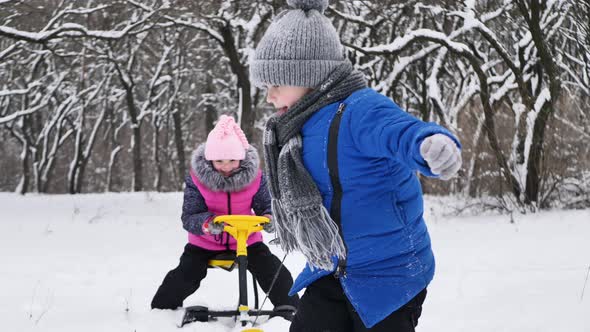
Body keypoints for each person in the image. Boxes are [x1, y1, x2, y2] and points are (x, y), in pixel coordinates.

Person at [249, 0, 462, 331]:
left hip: (391, 273)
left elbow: (399, 131)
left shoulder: (359, 110)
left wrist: (429, 144)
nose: (269, 96)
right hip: (333, 268)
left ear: (308, 75)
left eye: (276, 83)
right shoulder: (296, 126)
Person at [151, 115, 300, 317]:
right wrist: (207, 224)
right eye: (219, 161)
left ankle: (290, 308)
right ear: (210, 159)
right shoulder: (198, 180)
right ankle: (161, 310)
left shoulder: (255, 178)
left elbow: (267, 205)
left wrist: (270, 218)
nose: (226, 166)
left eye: (232, 160)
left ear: (242, 157)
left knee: (272, 269)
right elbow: (189, 216)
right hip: (205, 244)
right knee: (187, 273)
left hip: (247, 240)